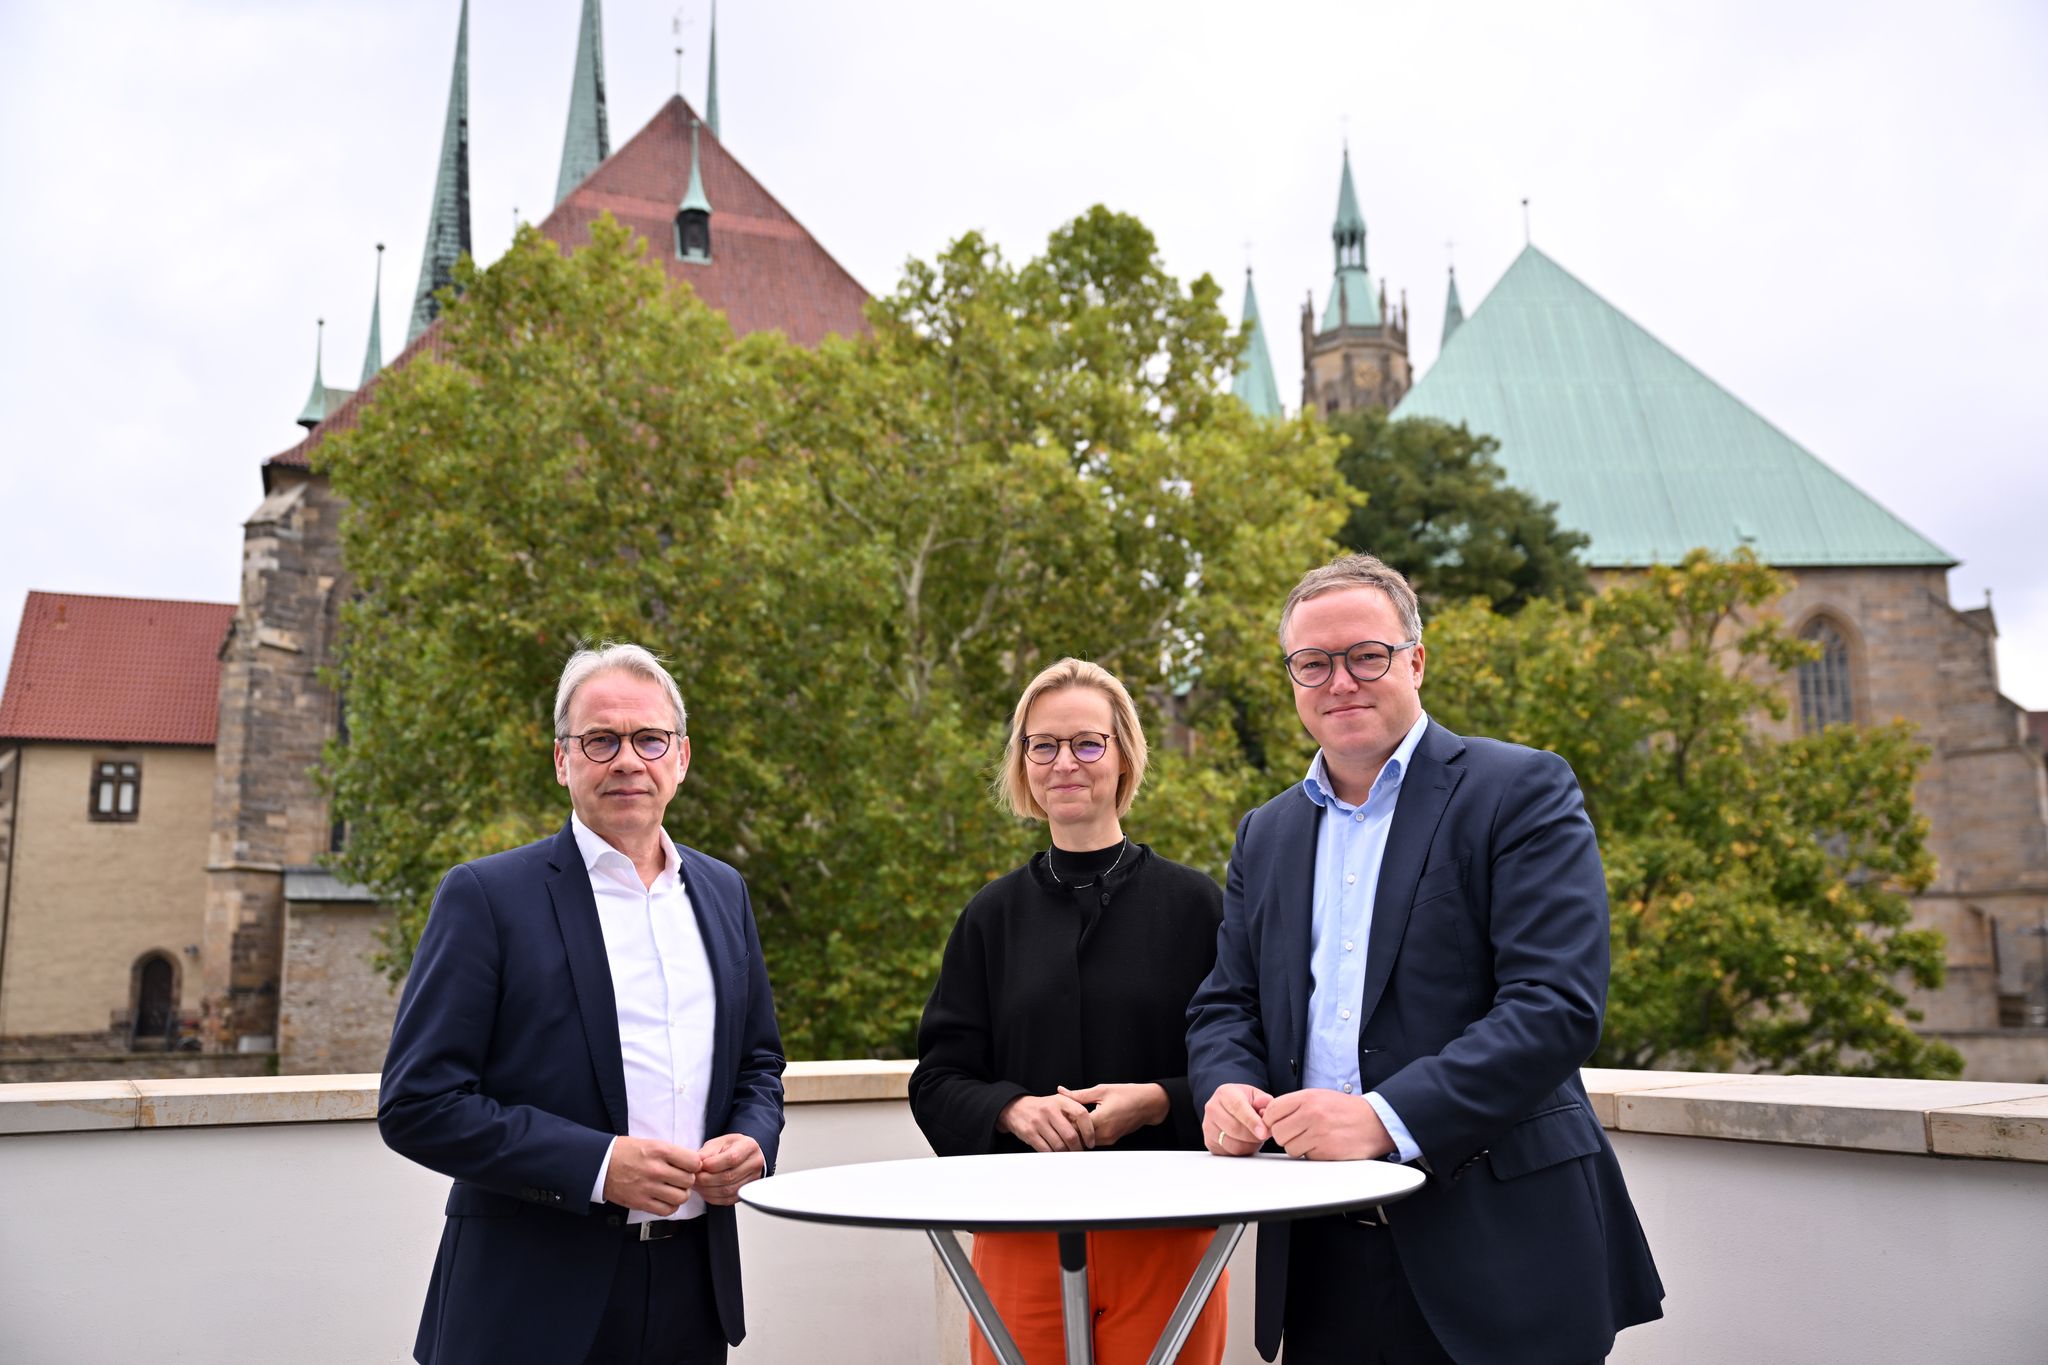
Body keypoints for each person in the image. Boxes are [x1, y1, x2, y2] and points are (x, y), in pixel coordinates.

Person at [1187, 555, 1663, 1365]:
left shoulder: (1519, 789)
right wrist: (1227, 1083)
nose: (1340, 680)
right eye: (1313, 663)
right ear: (1293, 679)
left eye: (1365, 655)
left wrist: (1383, 1117)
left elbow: (1555, 1004)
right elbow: (1226, 1002)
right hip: (1322, 1254)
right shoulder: (1263, 833)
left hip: (1499, 1251)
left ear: (1416, 659)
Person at [379, 642, 785, 1365]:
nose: (628, 758)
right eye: (601, 739)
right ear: (563, 760)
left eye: (649, 738)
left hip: (693, 1293)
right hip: (528, 1304)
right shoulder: (487, 896)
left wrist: (753, 1142)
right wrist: (597, 1164)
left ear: (681, 756)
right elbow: (418, 1102)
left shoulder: (724, 892)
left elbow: (758, 1062)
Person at [910, 658, 1228, 1365]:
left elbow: (1244, 1063)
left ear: (1123, 757)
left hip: (1167, 1232)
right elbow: (937, 1078)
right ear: (1023, 763)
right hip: (1021, 1232)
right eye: (1042, 744)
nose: (1065, 762)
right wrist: (1010, 1109)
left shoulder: (1196, 905)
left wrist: (1154, 1101)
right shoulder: (990, 916)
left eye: (1088, 742)